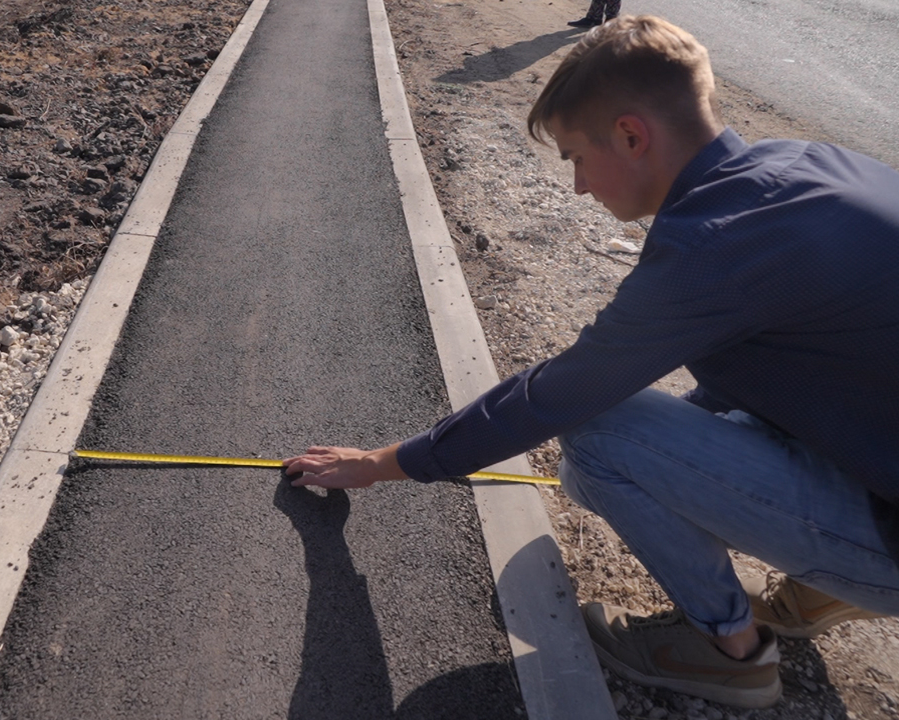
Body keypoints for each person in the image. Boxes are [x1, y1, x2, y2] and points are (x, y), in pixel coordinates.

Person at [283, 15, 899, 710]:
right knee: (605, 459)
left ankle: (730, 653)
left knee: (600, 437)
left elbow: (557, 397)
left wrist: (381, 463)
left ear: (633, 136)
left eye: (576, 156)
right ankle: (819, 590)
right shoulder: (803, 166)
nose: (578, 187)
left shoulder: (713, 242)